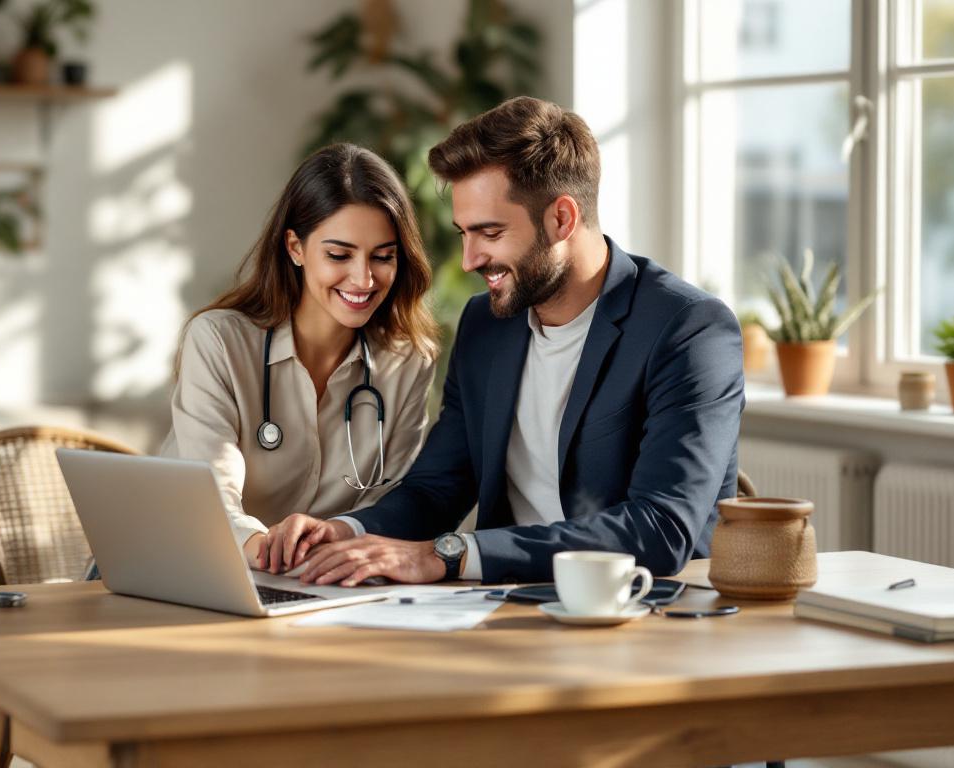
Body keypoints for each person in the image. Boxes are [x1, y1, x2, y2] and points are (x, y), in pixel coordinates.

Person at [266, 96, 745, 586]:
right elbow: (438, 488)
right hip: (502, 607)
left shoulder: (688, 329)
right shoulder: (487, 324)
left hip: (638, 615)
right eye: (463, 233)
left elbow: (660, 529)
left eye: (489, 232)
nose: (470, 259)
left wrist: (449, 555)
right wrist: (347, 533)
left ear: (562, 219)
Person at [161, 143, 439, 570]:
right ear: (295, 247)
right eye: (338, 255)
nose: (364, 279)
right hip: (185, 564)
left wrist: (331, 551)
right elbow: (210, 493)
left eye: (383, 257)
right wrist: (264, 549)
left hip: (306, 582)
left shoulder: (408, 361)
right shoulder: (219, 341)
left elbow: (388, 504)